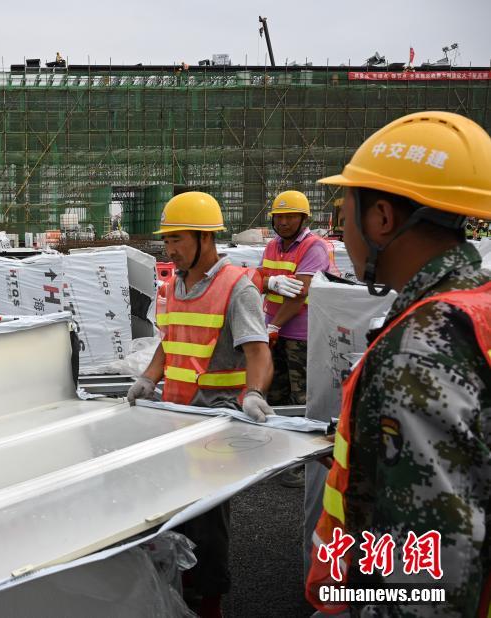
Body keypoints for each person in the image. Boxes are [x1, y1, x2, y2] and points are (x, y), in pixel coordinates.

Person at [305, 111, 491, 615]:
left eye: (345, 212)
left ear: (381, 218)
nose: (342, 232)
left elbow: (432, 582)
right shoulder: (477, 304)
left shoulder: (419, 349)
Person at [127, 191, 274, 617]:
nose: (169, 249)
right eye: (167, 240)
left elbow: (258, 352)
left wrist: (254, 394)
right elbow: (168, 343)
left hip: (216, 426)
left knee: (208, 528)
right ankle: (177, 594)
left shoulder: (237, 287)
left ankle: (209, 605)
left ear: (205, 238)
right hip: (175, 420)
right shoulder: (174, 285)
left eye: (177, 240)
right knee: (174, 517)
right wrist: (148, 379)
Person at [257, 190, 339, 488]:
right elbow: (263, 281)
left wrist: (273, 325)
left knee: (301, 399)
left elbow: (300, 293)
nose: (284, 222)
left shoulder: (314, 247)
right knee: (275, 395)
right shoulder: (273, 246)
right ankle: (278, 459)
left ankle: (301, 465)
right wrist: (269, 287)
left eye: (291, 216)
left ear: (304, 218)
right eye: (279, 216)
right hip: (275, 330)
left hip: (301, 334)